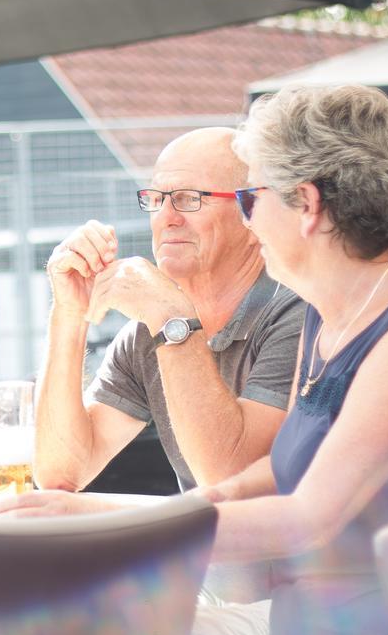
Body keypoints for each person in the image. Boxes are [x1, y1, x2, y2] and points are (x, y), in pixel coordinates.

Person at [1, 85, 388, 635]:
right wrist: (86, 513)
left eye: (253, 199)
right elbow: (264, 479)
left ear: (308, 206)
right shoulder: (332, 320)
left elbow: (304, 519)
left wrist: (114, 530)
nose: (251, 220)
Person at [36, 127, 303, 497]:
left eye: (188, 199)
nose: (166, 217)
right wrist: (68, 313)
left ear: (252, 210)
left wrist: (172, 318)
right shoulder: (149, 331)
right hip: (203, 551)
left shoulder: (296, 313)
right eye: (156, 199)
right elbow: (60, 474)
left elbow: (229, 481)